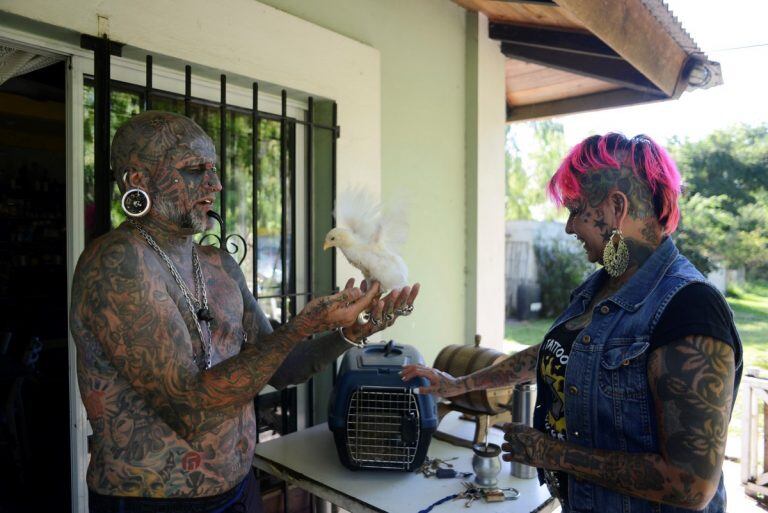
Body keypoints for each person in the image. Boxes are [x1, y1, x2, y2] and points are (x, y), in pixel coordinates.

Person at [69, 111, 419, 513]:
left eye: (213, 170)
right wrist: (301, 325)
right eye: (194, 169)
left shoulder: (217, 263)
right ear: (138, 180)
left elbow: (282, 368)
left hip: (240, 489)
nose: (215, 184)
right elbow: (190, 410)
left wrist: (348, 334)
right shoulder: (118, 262)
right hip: (153, 502)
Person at [402, 133, 742, 513]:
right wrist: (457, 384)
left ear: (616, 206)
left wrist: (553, 454)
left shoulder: (690, 307)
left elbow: (692, 485)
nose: (568, 228)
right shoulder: (601, 286)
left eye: (575, 209)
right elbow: (558, 353)